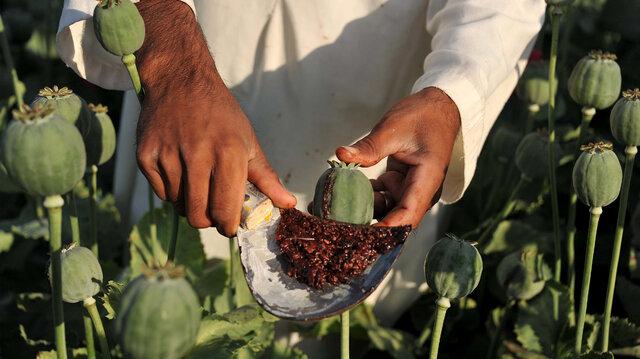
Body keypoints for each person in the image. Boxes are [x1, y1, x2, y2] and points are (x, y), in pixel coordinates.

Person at [57, 0, 545, 325]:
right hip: (189, 79)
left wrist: (454, 93)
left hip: (381, 103)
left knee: (353, 327)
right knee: (168, 307)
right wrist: (168, 52)